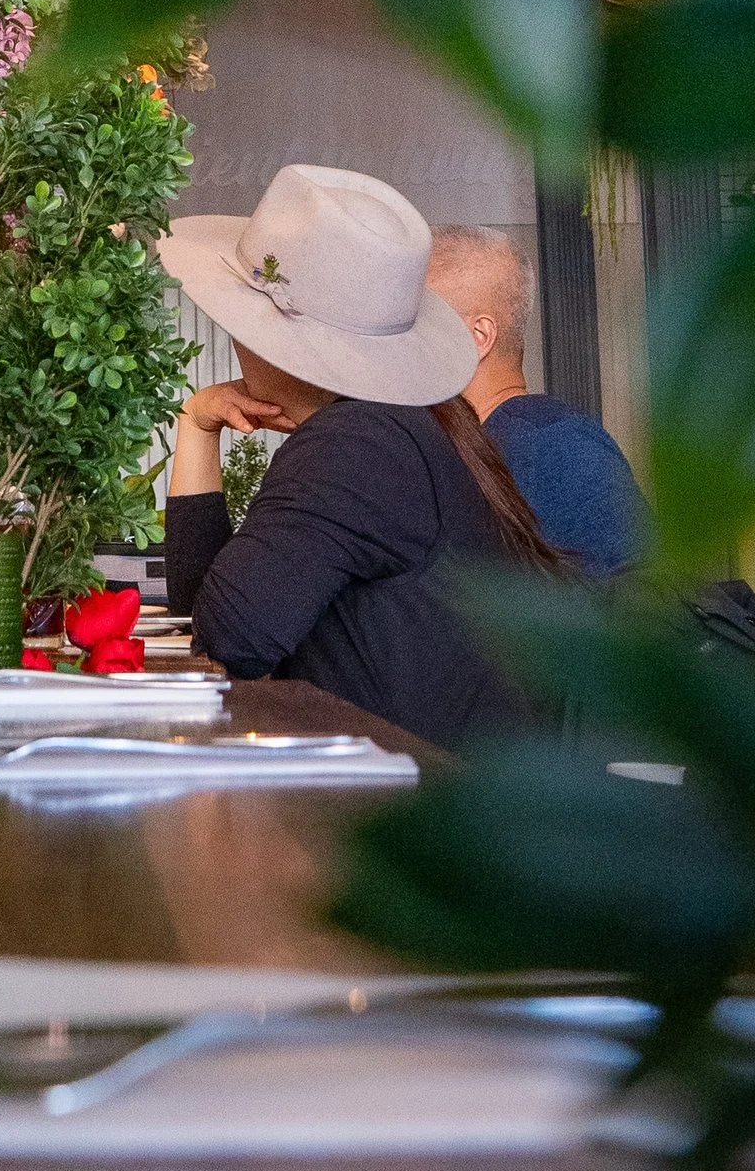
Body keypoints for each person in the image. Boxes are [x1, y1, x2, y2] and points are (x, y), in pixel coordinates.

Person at [159, 163, 570, 750]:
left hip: (401, 815)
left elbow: (229, 637)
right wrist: (198, 424)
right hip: (450, 796)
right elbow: (208, 621)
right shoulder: (411, 428)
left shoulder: (356, 443)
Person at [425, 224, 651, 577]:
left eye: (417, 321)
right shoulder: (478, 442)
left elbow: (644, 610)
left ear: (478, 336)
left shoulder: (556, 447)